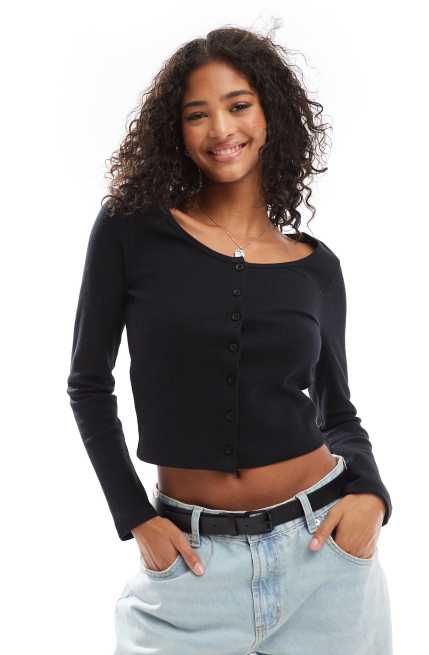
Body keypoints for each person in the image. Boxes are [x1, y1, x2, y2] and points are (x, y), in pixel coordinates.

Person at [67, 26, 393, 655]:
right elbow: (88, 384)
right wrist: (136, 517)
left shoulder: (315, 268)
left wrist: (372, 498)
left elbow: (338, 411)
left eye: (239, 105)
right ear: (176, 130)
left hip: (325, 561)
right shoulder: (132, 230)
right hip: (188, 570)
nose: (220, 128)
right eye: (198, 114)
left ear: (271, 115)